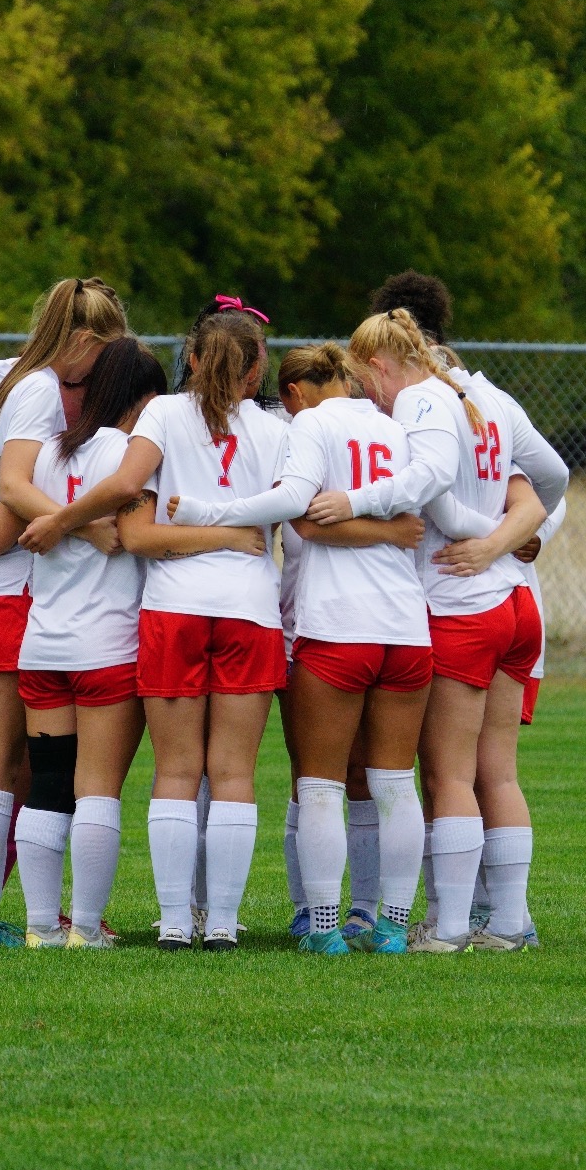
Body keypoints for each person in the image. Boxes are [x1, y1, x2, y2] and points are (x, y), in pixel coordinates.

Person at [23, 306, 288, 951]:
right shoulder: (280, 428)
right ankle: (221, 922)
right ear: (257, 371)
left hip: (173, 607)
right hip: (250, 609)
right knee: (232, 773)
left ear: (192, 360)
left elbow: (126, 493)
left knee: (175, 771)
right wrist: (230, 535)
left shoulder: (166, 413)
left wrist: (61, 521)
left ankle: (173, 922)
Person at [302, 309, 559, 951]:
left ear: (383, 366)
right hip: (515, 606)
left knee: (448, 777)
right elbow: (545, 481)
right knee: (496, 772)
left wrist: (476, 540)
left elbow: (432, 488)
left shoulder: (421, 400)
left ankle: (448, 929)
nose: (370, 399)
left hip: (458, 603)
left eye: (368, 383)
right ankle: (508, 922)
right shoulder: (485, 396)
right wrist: (509, 540)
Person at [167, 341, 436, 955]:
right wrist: (388, 529)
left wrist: (215, 512)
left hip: (337, 624)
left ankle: (322, 928)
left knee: (318, 786)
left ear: (295, 393)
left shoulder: (310, 423)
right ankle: (391, 925)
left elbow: (299, 511)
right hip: (406, 627)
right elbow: (414, 519)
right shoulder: (394, 426)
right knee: (395, 783)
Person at [0, 276, 128, 947]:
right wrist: (79, 524)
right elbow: (10, 507)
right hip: (2, 589)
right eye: (105, 355)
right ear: (85, 340)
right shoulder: (39, 391)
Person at [13, 338, 172, 947]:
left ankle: (37, 925)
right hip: (108, 644)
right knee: (98, 788)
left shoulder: (45, 453)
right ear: (143, 396)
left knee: (49, 785)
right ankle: (84, 927)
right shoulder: (132, 457)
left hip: (44, 645)